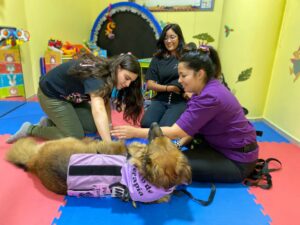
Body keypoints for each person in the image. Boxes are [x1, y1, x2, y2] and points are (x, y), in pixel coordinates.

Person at [111, 45, 259, 183]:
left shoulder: (210, 96)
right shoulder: (203, 91)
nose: (179, 80)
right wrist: (176, 145)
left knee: (167, 167)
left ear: (200, 74)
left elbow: (176, 131)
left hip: (237, 160)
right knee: (169, 157)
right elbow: (190, 130)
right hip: (220, 148)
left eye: (183, 75)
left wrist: (134, 132)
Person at [6, 53, 143, 143]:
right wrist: (108, 145)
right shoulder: (99, 76)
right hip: (51, 95)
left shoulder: (109, 73)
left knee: (92, 126)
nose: (128, 84)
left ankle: (51, 123)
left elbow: (105, 101)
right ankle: (31, 129)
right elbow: (98, 108)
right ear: (118, 68)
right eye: (127, 78)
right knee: (74, 136)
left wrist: (108, 127)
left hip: (70, 98)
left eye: (131, 81)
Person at [141, 23, 187, 128]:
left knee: (164, 129)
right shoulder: (157, 58)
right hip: (161, 98)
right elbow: (149, 84)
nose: (169, 41)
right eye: (166, 38)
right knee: (146, 124)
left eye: (172, 37)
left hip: (179, 100)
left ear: (179, 38)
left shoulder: (186, 56)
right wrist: (168, 88)